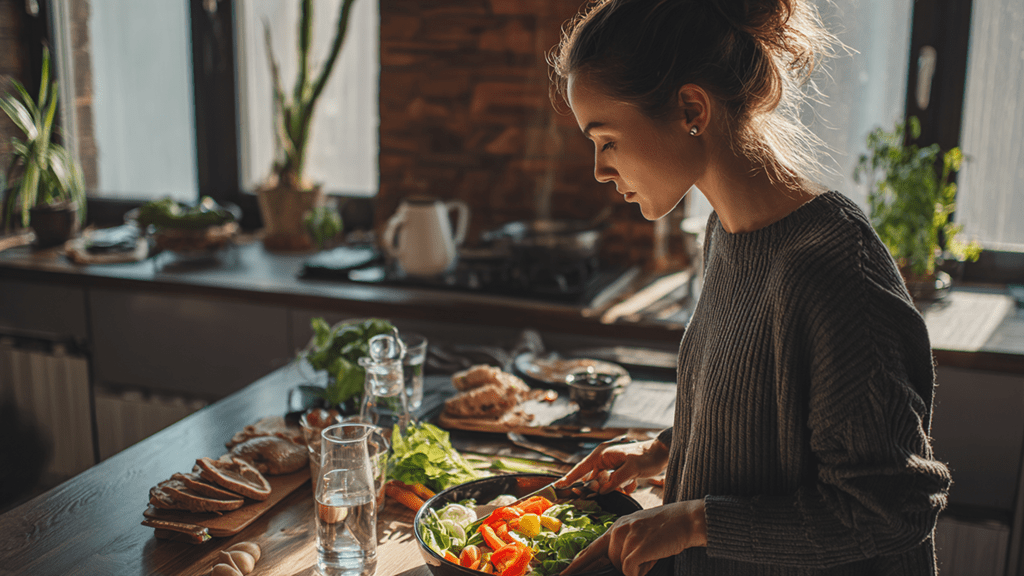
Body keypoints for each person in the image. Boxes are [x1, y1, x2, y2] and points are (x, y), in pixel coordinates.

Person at [547, 0, 953, 575]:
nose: (599, 169)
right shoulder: (728, 234)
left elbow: (893, 509)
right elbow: (761, 409)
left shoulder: (832, 269)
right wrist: (664, 450)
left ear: (691, 108)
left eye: (606, 139)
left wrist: (691, 521)